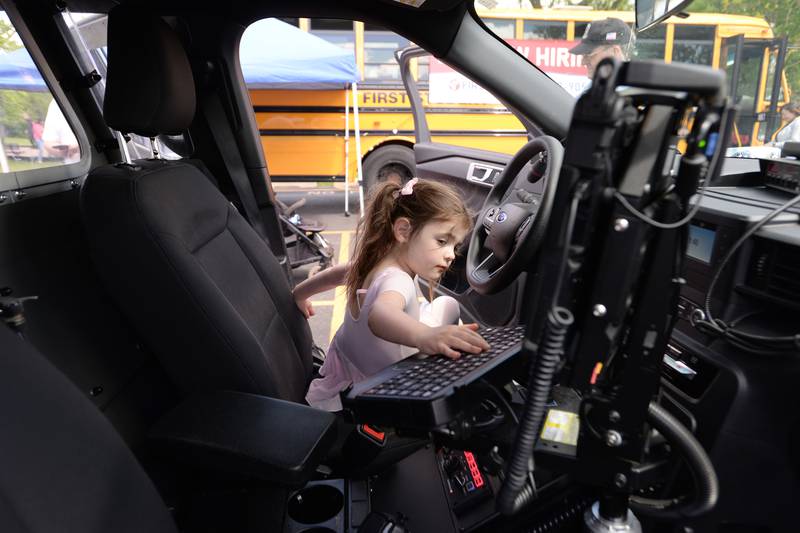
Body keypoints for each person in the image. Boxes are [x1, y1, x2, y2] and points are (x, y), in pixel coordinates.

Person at [294, 178, 490, 411]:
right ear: (403, 231)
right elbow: (380, 314)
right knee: (448, 305)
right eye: (442, 241)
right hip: (388, 382)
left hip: (353, 370)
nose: (451, 255)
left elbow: (335, 275)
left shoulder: (371, 263)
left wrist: (299, 293)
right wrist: (426, 336)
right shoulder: (398, 280)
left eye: (454, 246)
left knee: (441, 306)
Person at [569, 18, 634, 79]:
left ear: (615, 52)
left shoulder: (632, 89)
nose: (583, 62)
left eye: (589, 55)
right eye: (583, 56)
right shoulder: (602, 87)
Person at [42, 98, 79, 163]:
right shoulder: (56, 103)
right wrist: (64, 150)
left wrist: (80, 148)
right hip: (74, 168)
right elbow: (48, 143)